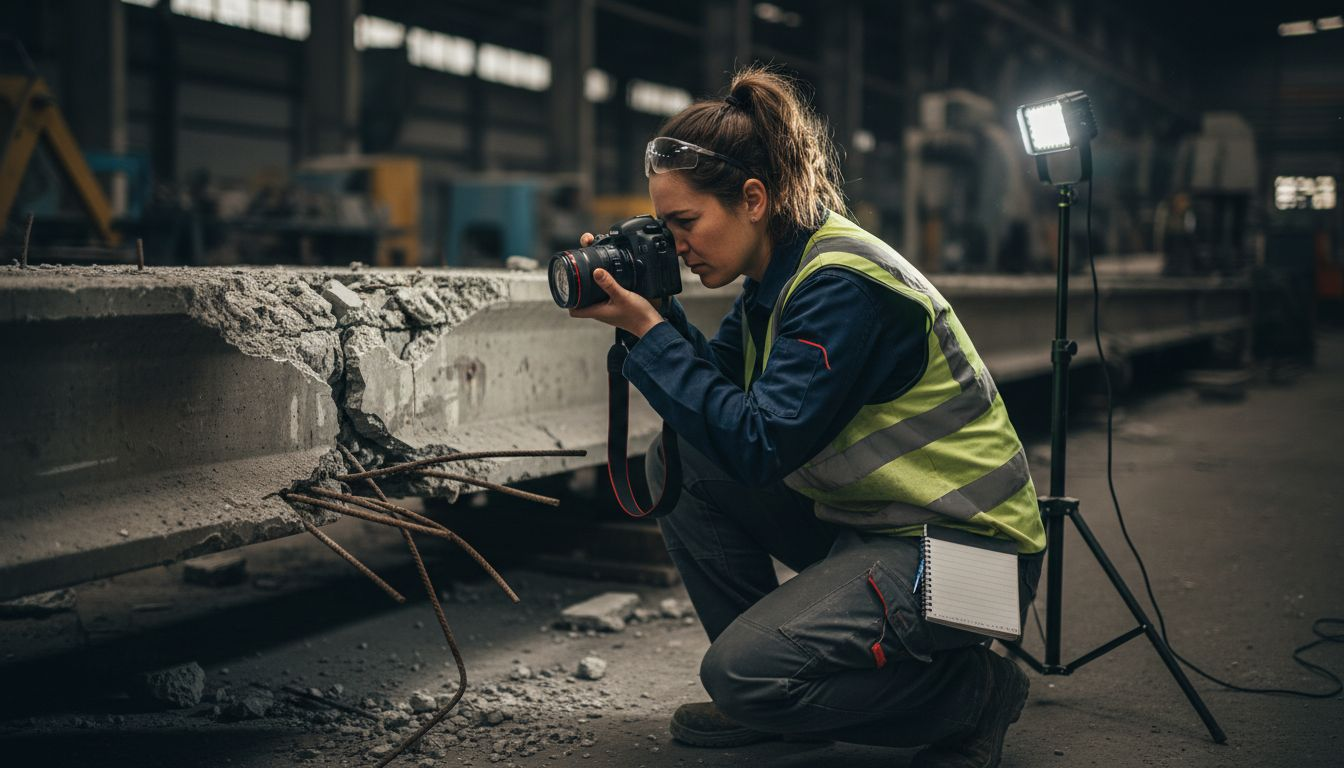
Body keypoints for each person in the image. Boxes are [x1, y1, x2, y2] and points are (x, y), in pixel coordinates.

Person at [569, 66, 1046, 768]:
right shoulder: (778, 277)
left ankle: (971, 693)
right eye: (662, 230)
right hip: (882, 530)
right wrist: (653, 309)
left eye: (685, 224)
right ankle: (775, 705)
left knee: (739, 674)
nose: (676, 245)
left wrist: (653, 339)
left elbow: (761, 445)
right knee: (683, 460)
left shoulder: (839, 286)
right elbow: (716, 402)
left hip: (976, 569)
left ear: (754, 199)